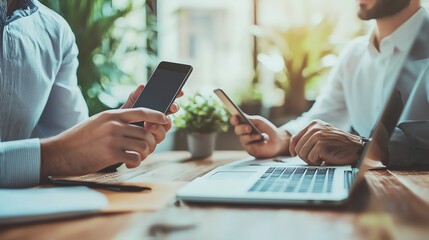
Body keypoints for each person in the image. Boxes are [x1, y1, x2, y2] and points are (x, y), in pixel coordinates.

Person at [0, 0, 179, 188]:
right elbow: (63, 153)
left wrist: (113, 140)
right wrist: (57, 156)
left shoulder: (55, 31)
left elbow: (70, 144)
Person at [232, 0, 429, 168]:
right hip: (368, 191)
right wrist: (280, 139)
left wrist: (366, 147)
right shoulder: (354, 54)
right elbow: (325, 115)